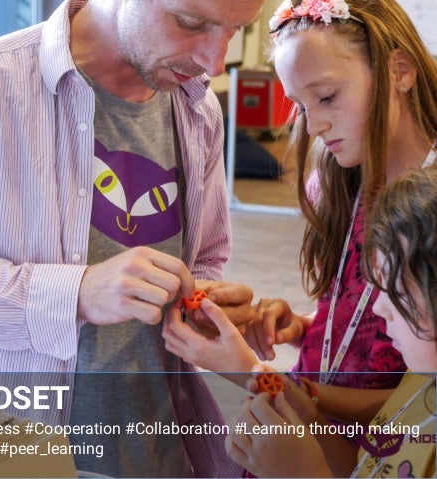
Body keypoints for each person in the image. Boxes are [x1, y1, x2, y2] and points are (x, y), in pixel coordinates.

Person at [0, 0, 264, 477]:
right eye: (191, 23)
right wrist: (75, 294)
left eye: (236, 31)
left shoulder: (199, 107)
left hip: (157, 449)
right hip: (13, 455)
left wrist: (201, 303)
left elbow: (206, 257)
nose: (214, 63)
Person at [166, 0, 437, 392]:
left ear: (399, 71)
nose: (315, 126)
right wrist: (306, 326)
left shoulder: (428, 204)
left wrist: (251, 373)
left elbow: (409, 400)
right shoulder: (336, 181)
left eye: (326, 97)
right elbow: (363, 330)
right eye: (300, 107)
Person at [223, 165, 437, 477]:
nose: (379, 308)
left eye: (399, 294)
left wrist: (302, 473)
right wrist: (309, 416)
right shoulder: (419, 380)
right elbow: (362, 466)